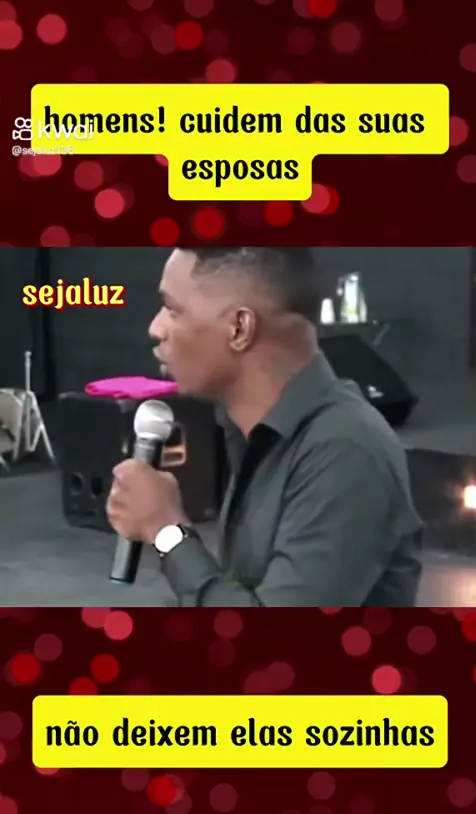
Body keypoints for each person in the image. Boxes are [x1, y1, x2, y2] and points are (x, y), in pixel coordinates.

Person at [106, 247, 423, 606]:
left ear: (239, 328)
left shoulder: (346, 451)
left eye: (173, 309)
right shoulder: (253, 434)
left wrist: (167, 532)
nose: (156, 328)